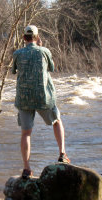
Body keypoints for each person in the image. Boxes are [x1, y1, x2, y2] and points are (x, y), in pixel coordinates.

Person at [12, 25, 70, 179]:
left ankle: (26, 168)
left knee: (26, 133)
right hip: (43, 97)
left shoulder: (17, 53)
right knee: (57, 121)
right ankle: (62, 154)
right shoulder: (44, 51)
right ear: (37, 38)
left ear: (24, 38)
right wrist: (41, 48)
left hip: (24, 98)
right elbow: (51, 68)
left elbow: (14, 70)